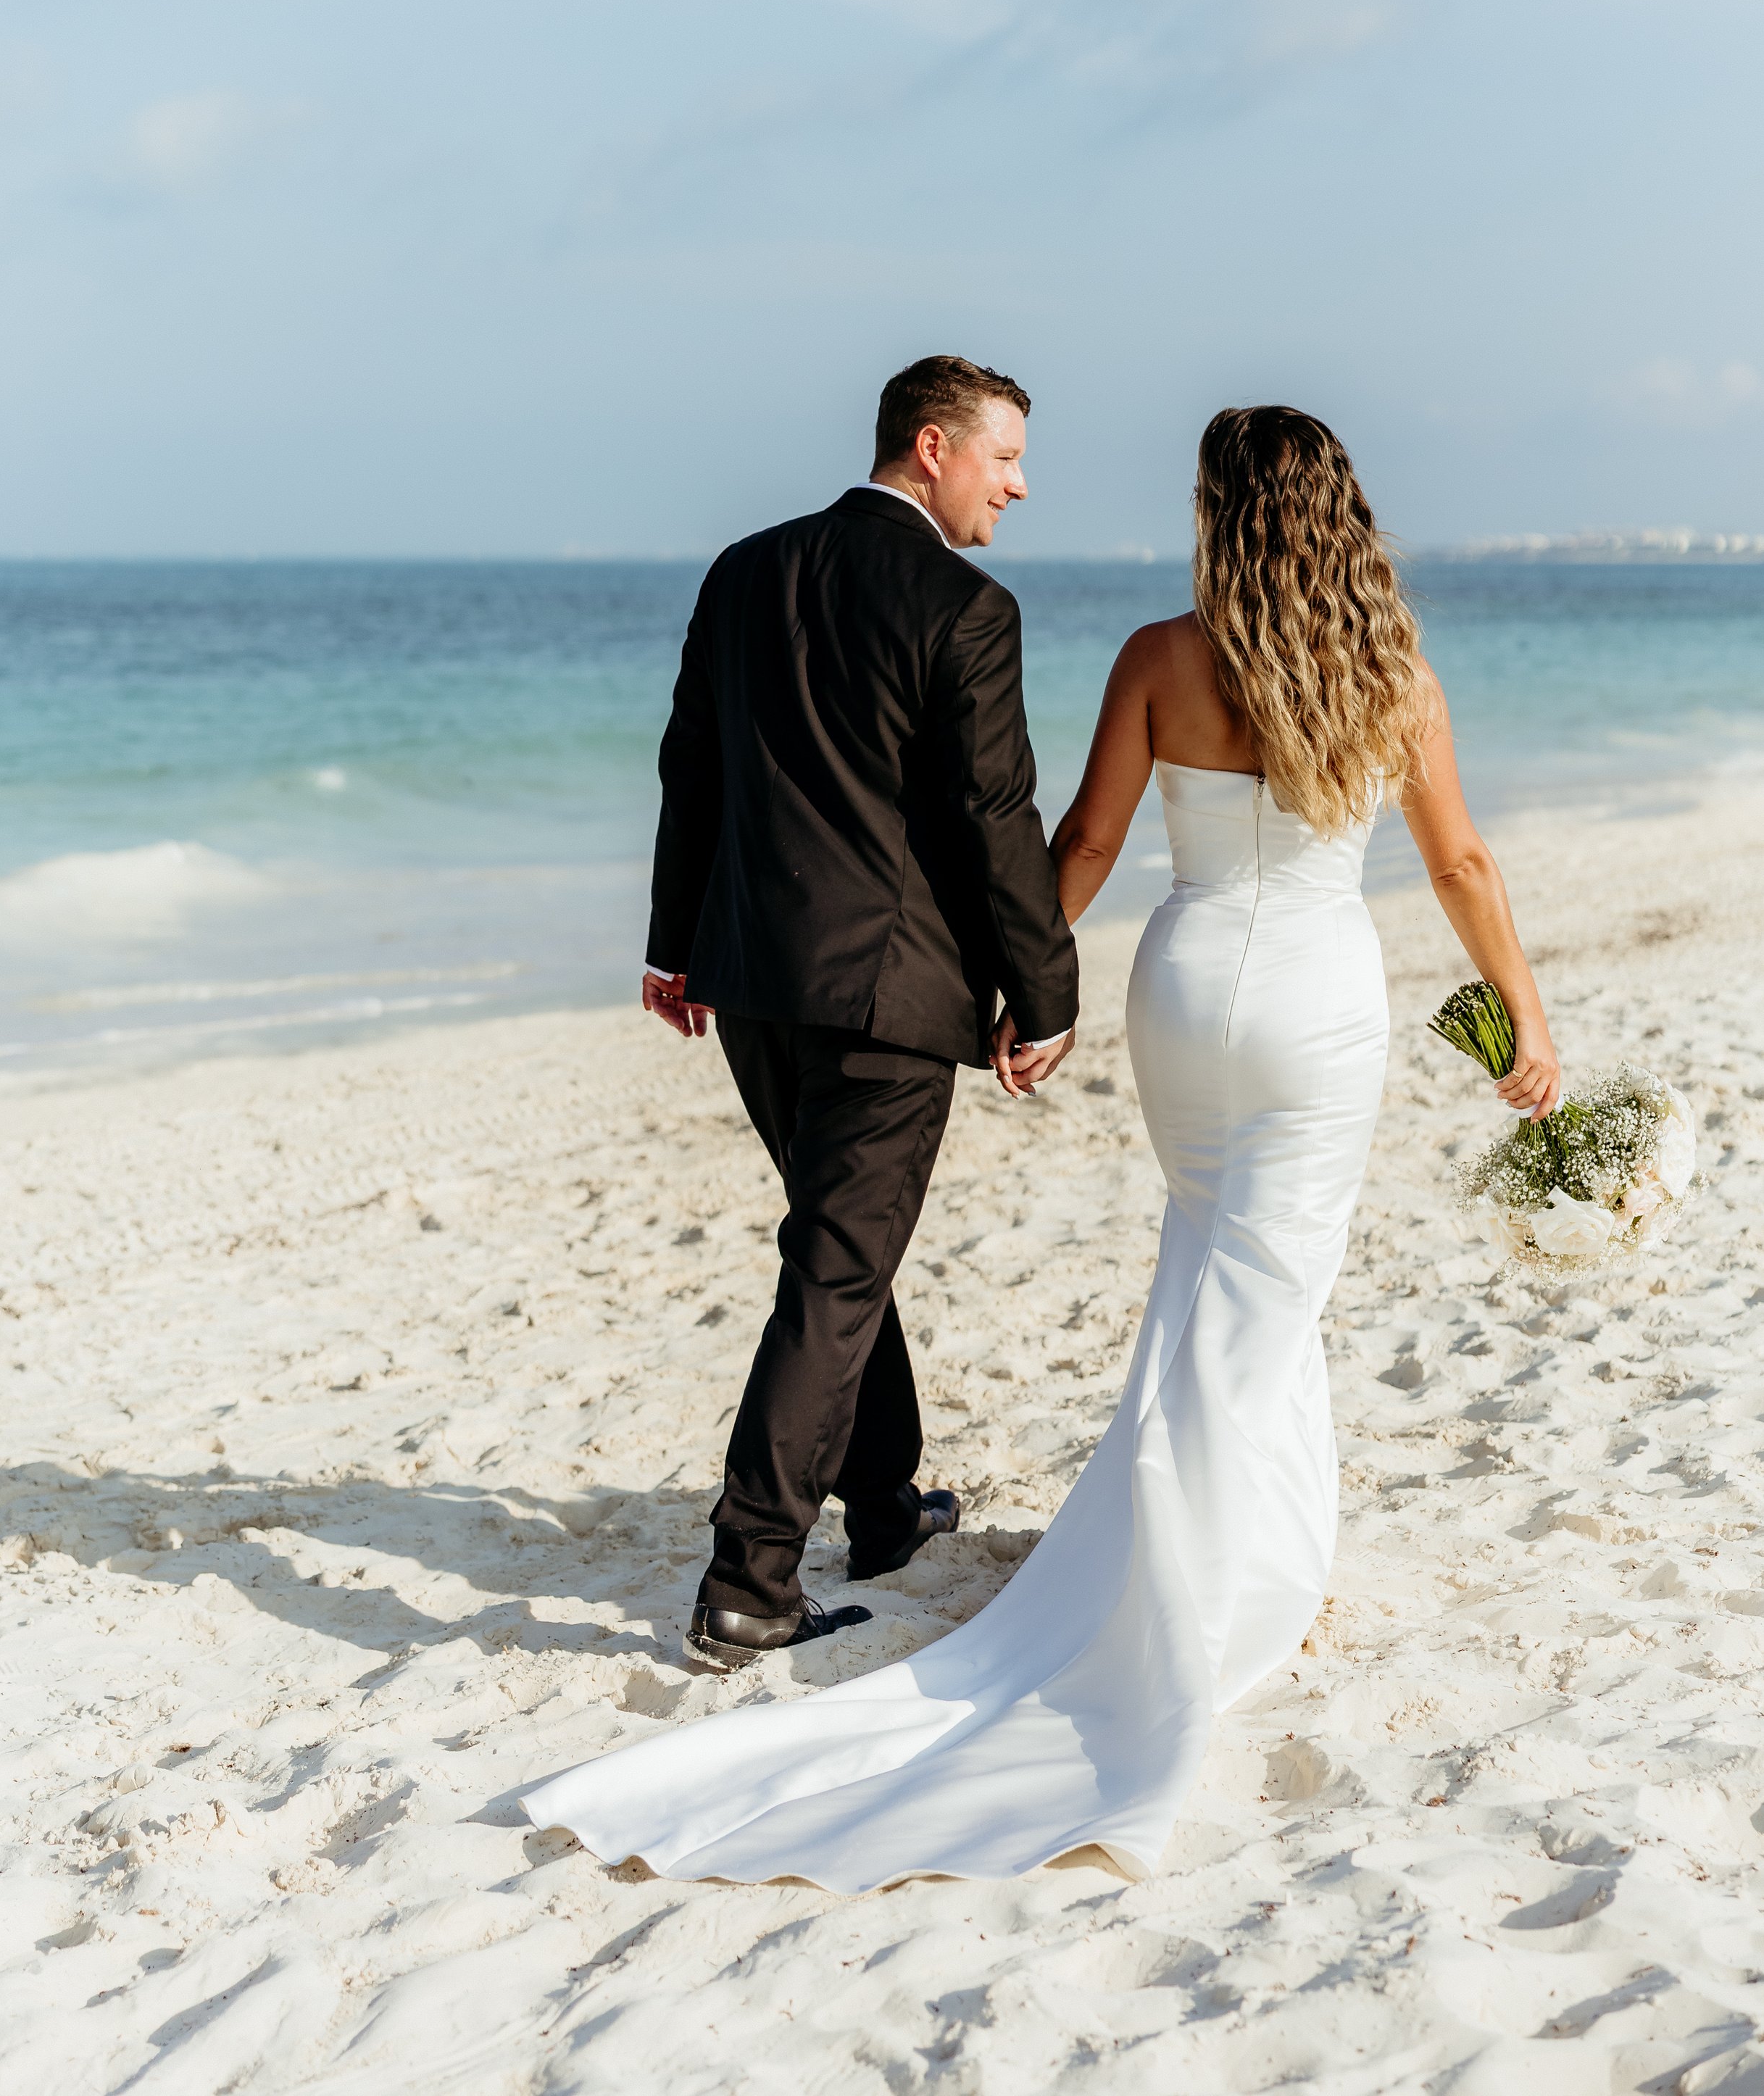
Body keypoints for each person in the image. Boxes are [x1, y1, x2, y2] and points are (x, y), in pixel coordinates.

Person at [522, 402, 1559, 1887]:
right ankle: (1191, 1570)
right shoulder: (1394, 675)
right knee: (1265, 1285)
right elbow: (1458, 860)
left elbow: (1073, 844)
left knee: (1202, 1257)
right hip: (1318, 1003)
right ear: (1342, 515)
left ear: (1218, 515)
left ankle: (1181, 1530)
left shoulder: (1159, 657)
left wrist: (1017, 991)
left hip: (1185, 996)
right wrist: (1523, 1015)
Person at [637, 354, 1079, 1673]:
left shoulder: (744, 568)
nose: (1019, 482)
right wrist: (1043, 990)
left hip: (754, 982)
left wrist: (675, 945)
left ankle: (884, 1508)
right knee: (837, 1266)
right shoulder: (966, 605)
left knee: (843, 1246)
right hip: (888, 997)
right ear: (932, 447)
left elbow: (690, 762)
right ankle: (749, 1575)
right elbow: (994, 819)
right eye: (1004, 456)